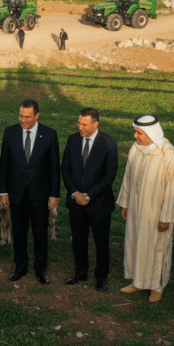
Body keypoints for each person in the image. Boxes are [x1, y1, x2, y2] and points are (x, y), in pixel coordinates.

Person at [116, 115, 174, 302]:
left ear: (151, 133)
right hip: (136, 209)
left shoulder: (168, 156)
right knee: (137, 243)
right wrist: (126, 202)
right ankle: (137, 281)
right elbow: (128, 177)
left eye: (139, 133)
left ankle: (156, 287)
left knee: (156, 248)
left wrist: (166, 217)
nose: (135, 136)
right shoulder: (136, 149)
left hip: (156, 214)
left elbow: (171, 190)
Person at [0, 99, 60, 284]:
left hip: (40, 194)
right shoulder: (10, 132)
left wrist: (54, 194)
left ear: (37, 116)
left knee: (40, 233)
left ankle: (41, 269)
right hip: (16, 193)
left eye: (27, 116)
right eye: (21, 116)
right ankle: (20, 267)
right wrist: (3, 191)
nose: (23, 120)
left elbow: (54, 167)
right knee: (18, 232)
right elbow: (4, 164)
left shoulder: (49, 134)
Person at [61, 108, 118, 291]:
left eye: (85, 124)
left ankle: (101, 277)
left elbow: (109, 176)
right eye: (79, 122)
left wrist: (89, 195)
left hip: (99, 203)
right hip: (76, 201)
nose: (80, 127)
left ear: (95, 124)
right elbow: (66, 169)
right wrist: (74, 193)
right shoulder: (73, 140)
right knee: (78, 240)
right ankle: (80, 272)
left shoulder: (109, 143)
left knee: (101, 243)